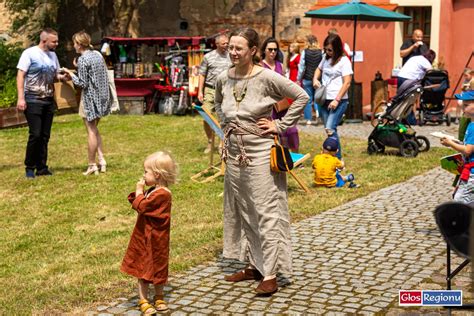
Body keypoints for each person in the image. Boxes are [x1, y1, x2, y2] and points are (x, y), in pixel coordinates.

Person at [215, 27, 308, 295]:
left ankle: (270, 273)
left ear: (253, 51)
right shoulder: (224, 77)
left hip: (260, 153)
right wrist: (226, 128)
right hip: (235, 154)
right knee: (244, 209)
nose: (232, 52)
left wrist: (280, 125)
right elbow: (219, 103)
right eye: (230, 47)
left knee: (266, 212)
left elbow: (301, 96)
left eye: (238, 48)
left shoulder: (267, 77)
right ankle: (254, 264)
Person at [120, 151, 177, 314]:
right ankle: (143, 299)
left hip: (156, 239)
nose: (143, 175)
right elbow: (141, 204)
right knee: (143, 269)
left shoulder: (162, 194)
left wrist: (138, 190)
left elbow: (143, 207)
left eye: (146, 171)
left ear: (157, 175)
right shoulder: (153, 190)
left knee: (158, 267)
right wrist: (140, 194)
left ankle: (158, 296)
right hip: (144, 237)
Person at [16, 28, 68, 179]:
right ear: (44, 41)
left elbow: (54, 74)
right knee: (36, 134)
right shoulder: (29, 53)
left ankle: (42, 167)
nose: (57, 44)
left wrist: (61, 77)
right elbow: (20, 75)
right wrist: (21, 98)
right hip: (32, 99)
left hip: (48, 100)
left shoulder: (53, 55)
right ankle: (29, 167)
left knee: (45, 136)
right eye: (54, 41)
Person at [62, 31, 111, 176]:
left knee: (91, 131)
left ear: (78, 44)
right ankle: (102, 160)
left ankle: (92, 164)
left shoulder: (83, 59)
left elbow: (82, 83)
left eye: (74, 44)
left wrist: (70, 74)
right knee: (95, 130)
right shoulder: (97, 55)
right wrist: (78, 68)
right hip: (102, 97)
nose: (73, 46)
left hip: (90, 98)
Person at [313, 34, 353, 159]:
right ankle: (333, 157)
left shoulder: (344, 61)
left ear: (337, 48)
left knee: (330, 128)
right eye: (326, 49)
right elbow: (318, 69)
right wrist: (315, 79)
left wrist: (337, 100)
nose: (327, 52)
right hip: (324, 99)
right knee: (329, 130)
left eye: (330, 50)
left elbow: (347, 82)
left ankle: (338, 159)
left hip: (339, 101)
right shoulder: (325, 58)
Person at [261, 37, 300, 152]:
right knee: (273, 132)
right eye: (270, 49)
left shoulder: (280, 65)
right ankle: (279, 157)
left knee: (291, 130)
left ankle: (294, 157)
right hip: (268, 105)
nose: (273, 52)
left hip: (282, 103)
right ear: (264, 50)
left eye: (275, 49)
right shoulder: (260, 66)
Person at [198, 34, 231, 154]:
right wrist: (200, 91)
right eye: (224, 44)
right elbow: (201, 74)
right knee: (206, 116)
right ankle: (210, 141)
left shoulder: (231, 56)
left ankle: (222, 142)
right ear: (217, 44)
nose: (226, 46)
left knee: (224, 118)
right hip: (210, 89)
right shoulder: (208, 57)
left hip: (225, 91)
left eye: (227, 43)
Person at [440, 92, 474, 204]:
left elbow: (468, 151)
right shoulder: (471, 124)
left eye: (466, 105)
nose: (462, 107)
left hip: (472, 174)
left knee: (459, 203)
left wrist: (450, 143)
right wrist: (456, 142)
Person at [397, 49, 436, 125]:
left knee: (401, 99)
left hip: (400, 77)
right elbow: (431, 73)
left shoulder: (416, 58)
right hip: (409, 79)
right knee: (409, 100)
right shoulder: (426, 62)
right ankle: (411, 120)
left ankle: (400, 117)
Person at [297, 35, 323, 125]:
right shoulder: (321, 52)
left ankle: (308, 119)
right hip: (318, 79)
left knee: (308, 99)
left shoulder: (305, 52)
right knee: (318, 98)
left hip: (307, 78)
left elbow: (301, 67)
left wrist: (298, 78)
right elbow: (322, 66)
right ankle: (318, 114)